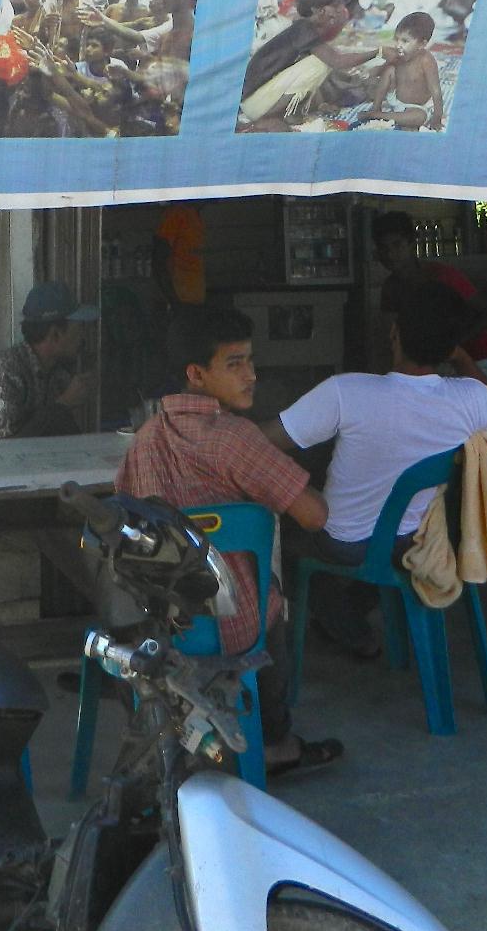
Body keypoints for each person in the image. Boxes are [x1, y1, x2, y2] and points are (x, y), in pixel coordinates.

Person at [117, 305, 342, 777]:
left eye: (250, 361)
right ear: (196, 374)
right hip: (235, 625)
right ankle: (275, 741)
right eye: (235, 364)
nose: (251, 375)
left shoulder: (144, 440)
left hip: (163, 621)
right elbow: (315, 516)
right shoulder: (236, 439)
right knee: (271, 598)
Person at [271, 280, 487, 648]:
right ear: (451, 345)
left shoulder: (347, 391)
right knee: (379, 550)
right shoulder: (471, 399)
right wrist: (463, 359)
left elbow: (266, 440)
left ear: (394, 332)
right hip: (413, 540)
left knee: (282, 539)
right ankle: (349, 616)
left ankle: (348, 627)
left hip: (344, 544)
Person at [0, 281, 97, 441]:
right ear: (55, 334)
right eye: (79, 328)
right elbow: (5, 445)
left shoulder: (57, 374)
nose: (83, 336)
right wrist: (63, 405)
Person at [372, 210, 487, 377]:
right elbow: (394, 333)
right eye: (383, 248)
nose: (390, 254)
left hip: (475, 356)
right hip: (434, 360)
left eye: (397, 245)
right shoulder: (390, 289)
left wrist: (450, 345)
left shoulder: (442, 276)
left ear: (412, 243)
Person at [360, 12, 445, 131]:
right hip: (395, 99)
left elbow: (436, 91)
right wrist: (371, 72)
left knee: (419, 117)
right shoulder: (397, 55)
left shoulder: (426, 61)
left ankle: (378, 115)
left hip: (416, 106)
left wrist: (437, 117)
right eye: (397, 39)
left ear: (422, 44)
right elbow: (381, 70)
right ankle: (376, 108)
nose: (398, 45)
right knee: (389, 70)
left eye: (405, 41)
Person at [154, 202, 208, 308]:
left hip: (195, 300)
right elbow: (159, 262)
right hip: (179, 301)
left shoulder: (195, 216)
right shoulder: (176, 214)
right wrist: (174, 302)